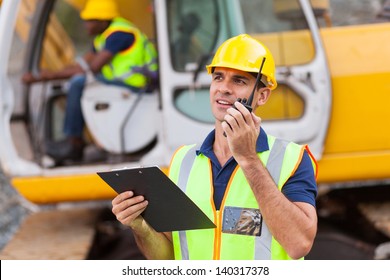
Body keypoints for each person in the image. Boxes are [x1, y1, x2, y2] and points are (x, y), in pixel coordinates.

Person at [111, 34, 318, 260]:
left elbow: (299, 244)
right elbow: (171, 257)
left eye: (239, 81)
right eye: (218, 77)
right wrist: (140, 227)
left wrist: (248, 159)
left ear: (262, 96)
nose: (224, 88)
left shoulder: (292, 159)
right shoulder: (184, 160)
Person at [22, 0, 158, 163]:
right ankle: (81, 140)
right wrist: (52, 73)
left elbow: (92, 67)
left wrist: (46, 76)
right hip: (122, 83)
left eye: (90, 21)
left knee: (79, 82)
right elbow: (83, 63)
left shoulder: (120, 35)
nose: (86, 25)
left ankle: (74, 142)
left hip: (137, 85)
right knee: (75, 80)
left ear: (103, 20)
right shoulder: (105, 36)